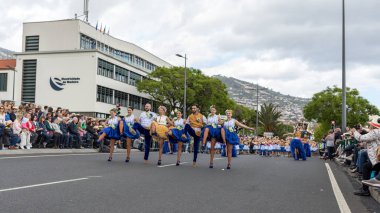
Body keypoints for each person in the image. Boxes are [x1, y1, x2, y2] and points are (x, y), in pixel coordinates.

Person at [351, 118, 380, 196]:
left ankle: (365, 189)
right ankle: (365, 187)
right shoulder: (376, 132)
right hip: (376, 157)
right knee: (366, 166)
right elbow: (371, 142)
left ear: (373, 125)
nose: (369, 125)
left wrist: (355, 132)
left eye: (370, 124)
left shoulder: (376, 131)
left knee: (365, 166)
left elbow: (360, 138)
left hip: (376, 159)